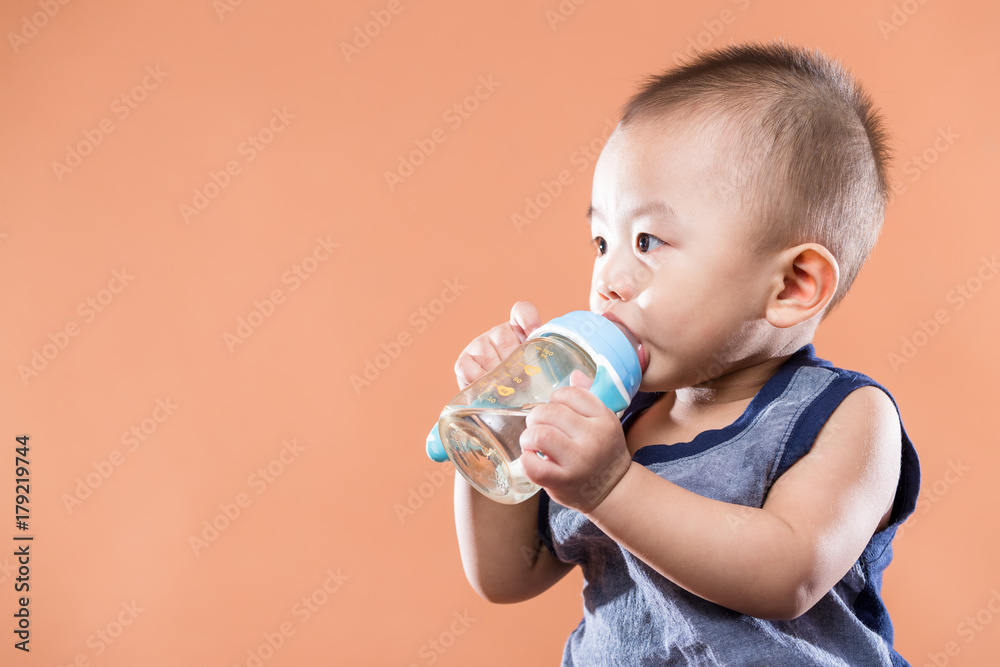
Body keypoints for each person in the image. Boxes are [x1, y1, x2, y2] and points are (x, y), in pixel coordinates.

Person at [451, 42, 920, 666]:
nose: (608, 277)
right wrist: (495, 432)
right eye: (601, 240)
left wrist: (611, 486)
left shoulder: (846, 419)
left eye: (647, 240)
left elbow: (788, 574)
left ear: (792, 286)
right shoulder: (615, 414)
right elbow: (510, 575)